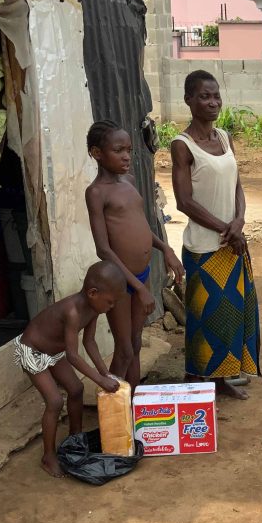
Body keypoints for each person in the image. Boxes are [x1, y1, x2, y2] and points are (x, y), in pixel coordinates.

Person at [171, 70, 260, 400]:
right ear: (189, 100)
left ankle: (221, 379)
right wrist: (227, 230)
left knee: (231, 315)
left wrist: (239, 221)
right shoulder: (182, 145)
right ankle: (196, 382)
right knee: (203, 318)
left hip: (232, 245)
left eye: (216, 96)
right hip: (205, 248)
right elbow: (184, 202)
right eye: (204, 96)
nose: (212, 102)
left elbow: (237, 185)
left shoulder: (224, 137)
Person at [85, 122, 184, 390]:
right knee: (125, 349)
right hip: (119, 283)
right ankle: (114, 408)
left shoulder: (128, 181)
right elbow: (103, 249)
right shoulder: (96, 193)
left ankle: (136, 404)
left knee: (137, 343)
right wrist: (138, 287)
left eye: (128, 149)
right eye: (118, 150)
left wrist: (166, 249)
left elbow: (141, 227)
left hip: (141, 274)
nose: (127, 156)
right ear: (97, 153)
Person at [13, 260, 127, 477]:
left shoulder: (94, 310)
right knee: (55, 401)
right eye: (110, 303)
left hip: (55, 351)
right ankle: (48, 456)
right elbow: (73, 356)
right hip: (33, 350)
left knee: (76, 390)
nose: (111, 308)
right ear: (93, 293)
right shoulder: (72, 312)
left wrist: (106, 373)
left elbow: (89, 343)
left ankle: (75, 438)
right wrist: (100, 381)